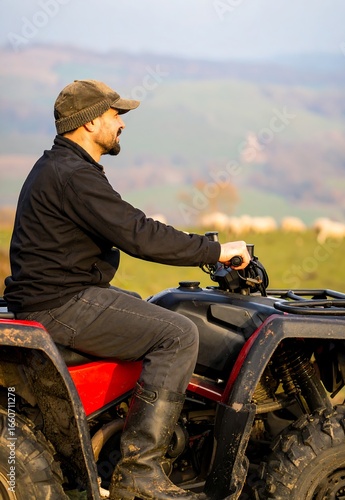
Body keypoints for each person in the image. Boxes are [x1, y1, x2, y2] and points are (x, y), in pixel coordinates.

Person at [4, 79, 250, 500]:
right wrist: (216, 251)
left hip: (58, 296)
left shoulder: (63, 168)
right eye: (115, 114)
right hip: (61, 304)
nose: (121, 124)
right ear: (89, 122)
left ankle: (117, 444)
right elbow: (138, 234)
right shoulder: (73, 175)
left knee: (145, 307)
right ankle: (140, 471)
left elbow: (132, 227)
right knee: (178, 333)